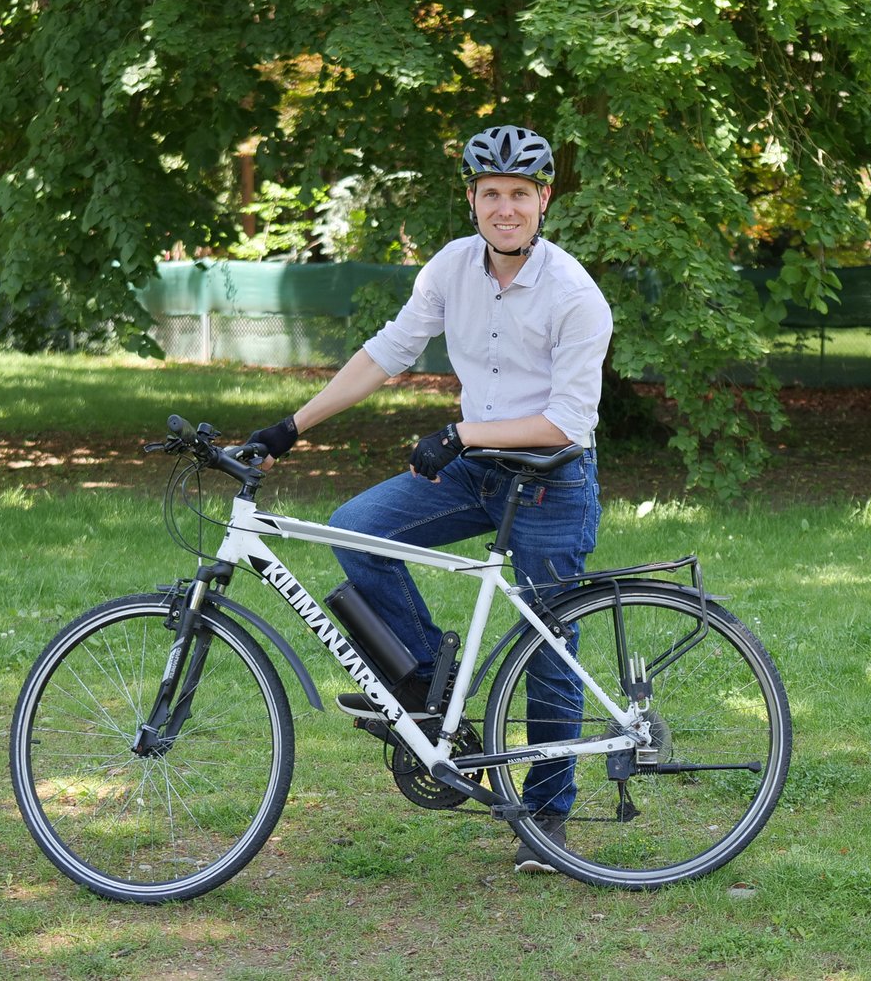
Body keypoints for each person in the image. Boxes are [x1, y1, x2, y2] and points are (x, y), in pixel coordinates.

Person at [248, 124, 612, 873]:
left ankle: (546, 819)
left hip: (552, 482)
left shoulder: (575, 295)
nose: (504, 208)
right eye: (490, 195)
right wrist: (291, 427)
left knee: (547, 652)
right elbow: (389, 350)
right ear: (472, 201)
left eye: (519, 194)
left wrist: (464, 431)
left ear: (544, 201)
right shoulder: (452, 267)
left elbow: (568, 421)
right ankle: (425, 688)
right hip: (479, 470)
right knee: (356, 531)